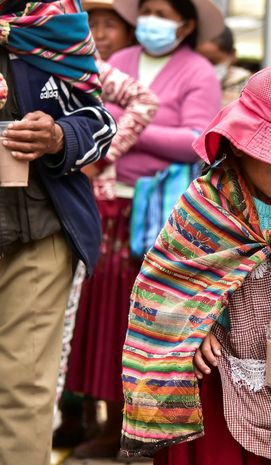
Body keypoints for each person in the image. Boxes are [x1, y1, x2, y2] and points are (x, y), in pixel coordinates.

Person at [117, 61, 271, 465]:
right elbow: (163, 288)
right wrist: (196, 327)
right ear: (244, 143)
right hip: (214, 379)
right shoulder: (203, 207)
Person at [63, 0, 223, 457]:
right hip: (107, 207)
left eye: (163, 12)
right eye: (147, 9)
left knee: (146, 322)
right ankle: (104, 421)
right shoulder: (121, 63)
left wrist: (122, 127)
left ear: (187, 24)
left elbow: (197, 141)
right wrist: (138, 126)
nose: (151, 18)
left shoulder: (198, 72)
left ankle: (140, 430)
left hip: (160, 220)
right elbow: (89, 114)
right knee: (100, 316)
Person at [0, 1, 116, 464]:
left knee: (24, 386)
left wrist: (59, 137)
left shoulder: (56, 23)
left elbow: (100, 121)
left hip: (40, 228)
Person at [53, 0, 159, 452]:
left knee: (98, 317)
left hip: (95, 206)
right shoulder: (36, 59)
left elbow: (145, 101)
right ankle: (74, 418)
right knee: (67, 323)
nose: (98, 31)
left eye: (106, 24)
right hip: (49, 203)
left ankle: (112, 426)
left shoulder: (88, 66)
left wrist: (100, 153)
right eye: (90, 22)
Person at [197, 26, 252, 106]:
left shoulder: (245, 85)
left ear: (232, 55)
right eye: (203, 61)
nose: (207, 67)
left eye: (213, 62)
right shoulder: (188, 80)